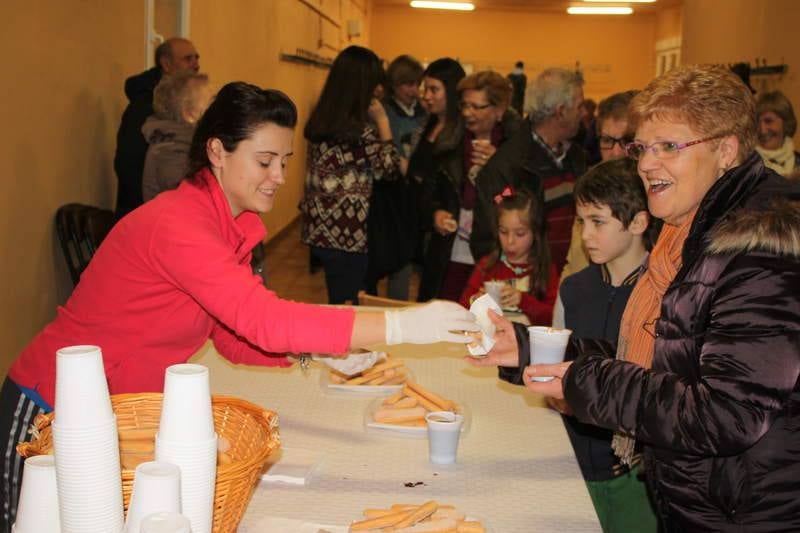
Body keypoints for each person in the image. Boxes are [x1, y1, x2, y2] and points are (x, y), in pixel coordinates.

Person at [1, 82, 478, 532]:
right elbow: (266, 322)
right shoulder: (179, 224)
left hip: (127, 412)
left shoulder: (229, 225)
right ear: (216, 151)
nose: (280, 177)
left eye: (285, 161)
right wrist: (401, 325)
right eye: (265, 160)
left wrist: (312, 352)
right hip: (55, 407)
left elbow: (231, 335)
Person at [480, 65, 800, 530]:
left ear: (726, 149)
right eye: (642, 148)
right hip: (701, 501)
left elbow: (727, 413)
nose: (646, 164)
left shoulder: (762, 247)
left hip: (747, 516)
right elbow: (666, 366)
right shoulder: (689, 234)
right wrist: (534, 350)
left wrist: (588, 384)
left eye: (669, 146)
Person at [554, 158, 658, 532]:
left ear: (638, 222)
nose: (585, 235)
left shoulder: (664, 295)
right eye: (581, 221)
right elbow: (557, 366)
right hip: (573, 464)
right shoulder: (574, 289)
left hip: (636, 476)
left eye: (598, 222)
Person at [300, 46, 403, 305]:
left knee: (338, 299)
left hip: (321, 233)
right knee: (353, 307)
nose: (378, 89)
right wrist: (383, 122)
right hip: (350, 236)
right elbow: (389, 170)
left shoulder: (322, 121)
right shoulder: (359, 132)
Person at [418, 70, 524, 301]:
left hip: (493, 247)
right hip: (449, 250)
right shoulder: (449, 143)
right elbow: (427, 193)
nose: (468, 113)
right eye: (464, 106)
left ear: (499, 110)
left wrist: (498, 167)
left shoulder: (516, 149)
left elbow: (518, 199)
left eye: (477, 107)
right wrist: (435, 213)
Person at [472, 68, 587, 272]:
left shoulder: (578, 158)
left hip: (573, 282)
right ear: (560, 111)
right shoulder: (506, 166)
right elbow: (487, 240)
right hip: (532, 288)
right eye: (580, 106)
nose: (584, 113)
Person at [555, 90, 640, 327]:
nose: (615, 152)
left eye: (626, 142)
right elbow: (574, 263)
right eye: (607, 141)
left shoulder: (661, 204)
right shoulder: (590, 195)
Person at [114, 37, 200, 218]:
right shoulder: (147, 106)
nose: (196, 64)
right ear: (166, 64)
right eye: (188, 59)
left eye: (196, 58)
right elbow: (128, 162)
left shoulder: (179, 106)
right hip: (144, 213)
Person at [406, 58, 466, 301]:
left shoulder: (461, 133)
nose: (427, 96)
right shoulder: (428, 124)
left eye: (434, 89)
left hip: (447, 230)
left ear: (451, 91)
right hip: (423, 224)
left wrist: (438, 212)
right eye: (425, 89)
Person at [458, 188, 557, 326]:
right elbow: (461, 310)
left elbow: (554, 318)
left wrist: (523, 300)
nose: (510, 241)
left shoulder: (545, 270)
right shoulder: (487, 266)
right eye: (503, 232)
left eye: (520, 234)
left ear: (536, 233)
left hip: (526, 345)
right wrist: (476, 302)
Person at [376, 54, 427, 300]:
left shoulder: (425, 112)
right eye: (408, 84)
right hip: (391, 194)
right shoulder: (383, 112)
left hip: (419, 192)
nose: (414, 90)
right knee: (397, 259)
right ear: (394, 84)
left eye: (417, 84)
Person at [142, 71, 212, 202]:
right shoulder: (170, 151)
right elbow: (190, 199)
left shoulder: (186, 145)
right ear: (190, 115)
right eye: (211, 106)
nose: (217, 113)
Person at [755, 90, 800, 176]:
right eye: (757, 122)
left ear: (786, 123)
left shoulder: (798, 163)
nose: (762, 130)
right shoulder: (747, 168)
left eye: (768, 121)